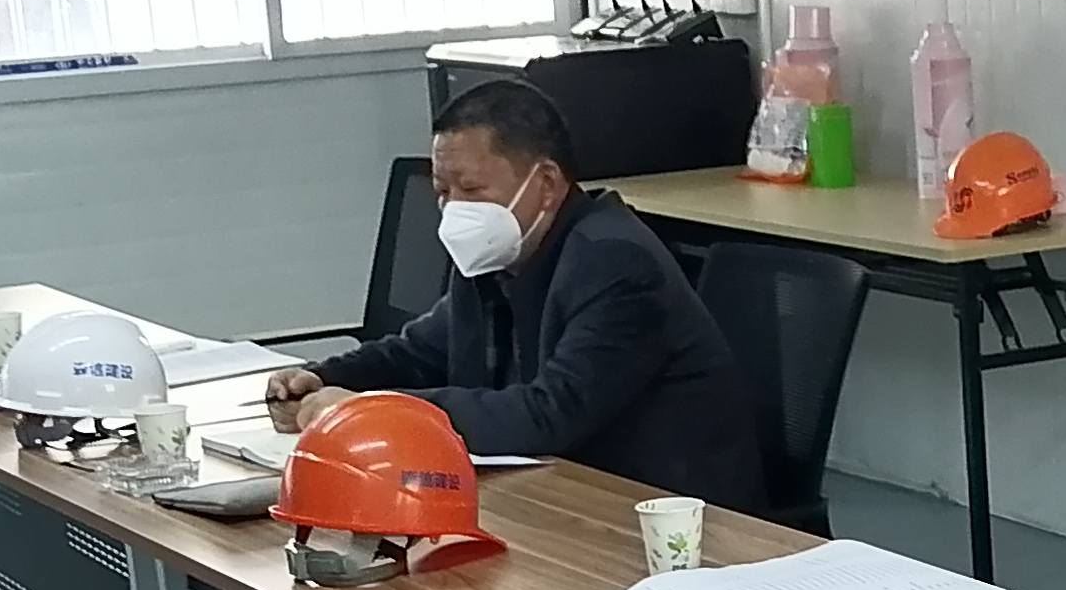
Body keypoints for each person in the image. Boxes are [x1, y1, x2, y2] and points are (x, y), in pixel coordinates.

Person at [268, 80, 765, 511]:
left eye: (470, 189)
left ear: (546, 183)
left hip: (673, 520)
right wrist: (325, 378)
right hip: (554, 498)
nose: (452, 209)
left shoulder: (618, 265)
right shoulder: (497, 251)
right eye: (442, 191)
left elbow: (547, 414)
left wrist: (367, 412)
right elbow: (420, 350)